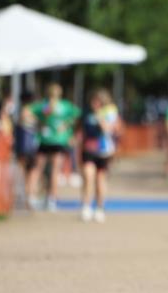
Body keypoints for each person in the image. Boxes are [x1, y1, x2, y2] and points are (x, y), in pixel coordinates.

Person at [26, 83, 81, 212]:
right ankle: (47, 198)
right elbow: (77, 115)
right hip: (53, 140)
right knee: (49, 169)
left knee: (41, 169)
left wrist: (66, 126)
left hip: (52, 140)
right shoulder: (52, 105)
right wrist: (67, 126)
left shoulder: (49, 105)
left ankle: (38, 197)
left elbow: (77, 115)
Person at [79, 89, 121, 223]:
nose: (95, 104)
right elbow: (79, 127)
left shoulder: (110, 113)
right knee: (88, 175)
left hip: (104, 150)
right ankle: (86, 206)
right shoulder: (86, 112)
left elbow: (109, 130)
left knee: (100, 180)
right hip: (88, 149)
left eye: (98, 102)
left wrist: (100, 118)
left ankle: (100, 207)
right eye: (93, 101)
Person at [14, 92, 39, 208]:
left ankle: (29, 195)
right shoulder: (28, 111)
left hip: (27, 146)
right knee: (27, 171)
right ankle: (27, 196)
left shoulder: (24, 111)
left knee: (29, 171)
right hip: (26, 146)